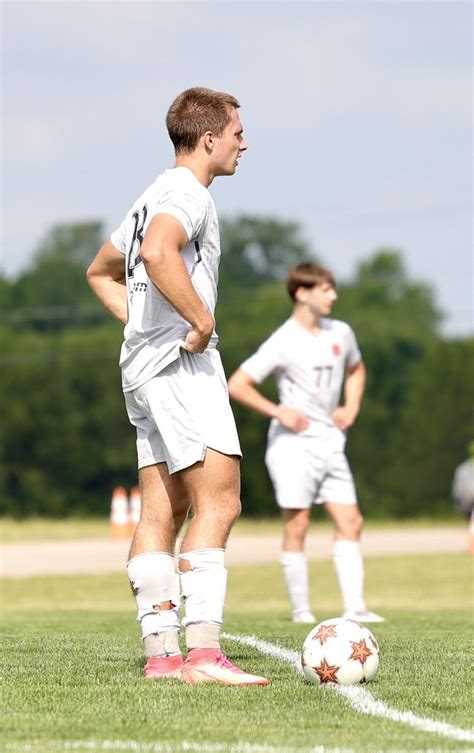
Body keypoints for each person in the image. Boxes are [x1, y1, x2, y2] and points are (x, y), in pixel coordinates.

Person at [86, 87, 268, 686]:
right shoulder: (187, 193)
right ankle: (205, 655)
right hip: (181, 368)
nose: (245, 141)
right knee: (221, 499)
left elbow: (101, 271)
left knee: (163, 507)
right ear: (209, 138)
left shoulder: (151, 192)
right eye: (237, 131)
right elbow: (158, 251)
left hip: (141, 370)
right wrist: (199, 320)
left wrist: (143, 327)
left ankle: (163, 656)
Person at [228, 262, 385, 625]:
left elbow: (356, 369)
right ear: (302, 293)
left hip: (330, 441)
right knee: (298, 524)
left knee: (351, 521)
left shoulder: (341, 332)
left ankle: (356, 608)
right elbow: (238, 384)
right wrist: (278, 411)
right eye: (326, 288)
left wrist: (352, 405)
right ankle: (301, 611)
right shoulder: (283, 340)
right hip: (292, 445)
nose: (334, 295)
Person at [451, 442, 474, 555]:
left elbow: (457, 490)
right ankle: (472, 547)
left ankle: (471, 547)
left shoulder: (464, 468)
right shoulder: (465, 469)